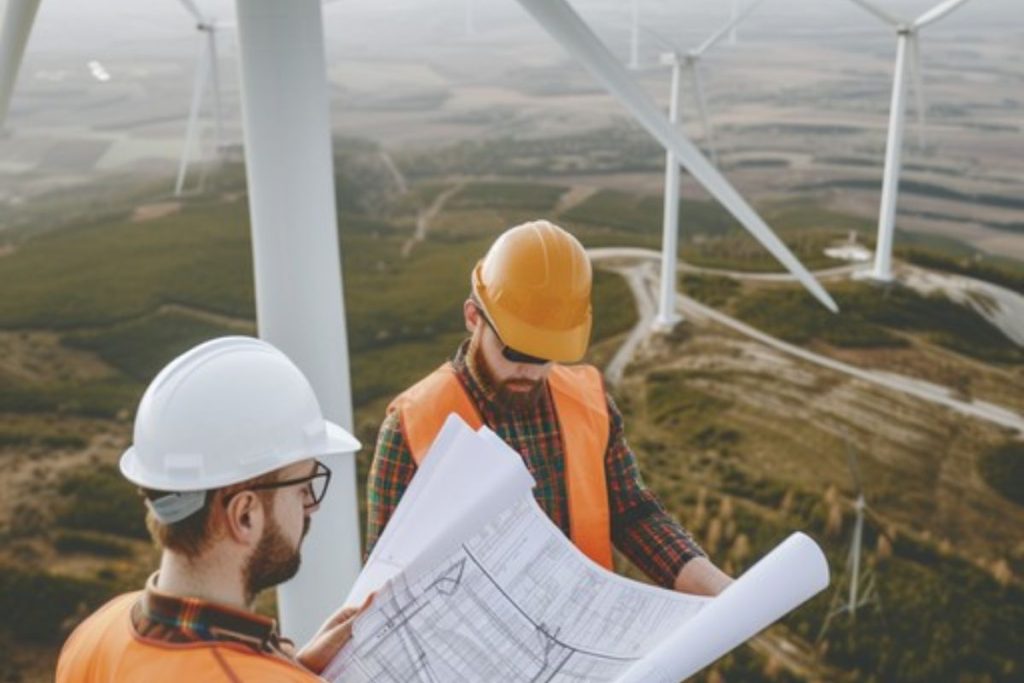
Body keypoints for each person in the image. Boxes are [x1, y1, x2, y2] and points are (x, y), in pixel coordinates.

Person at [366, 220, 732, 596]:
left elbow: (633, 516)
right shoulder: (412, 426)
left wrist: (724, 592)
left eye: (547, 356)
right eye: (517, 351)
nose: (529, 370)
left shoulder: (590, 404)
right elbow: (386, 585)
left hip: (589, 636)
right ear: (474, 317)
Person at [56, 336, 366, 682]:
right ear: (244, 514)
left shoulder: (95, 634)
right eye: (301, 488)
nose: (311, 506)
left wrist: (287, 668)